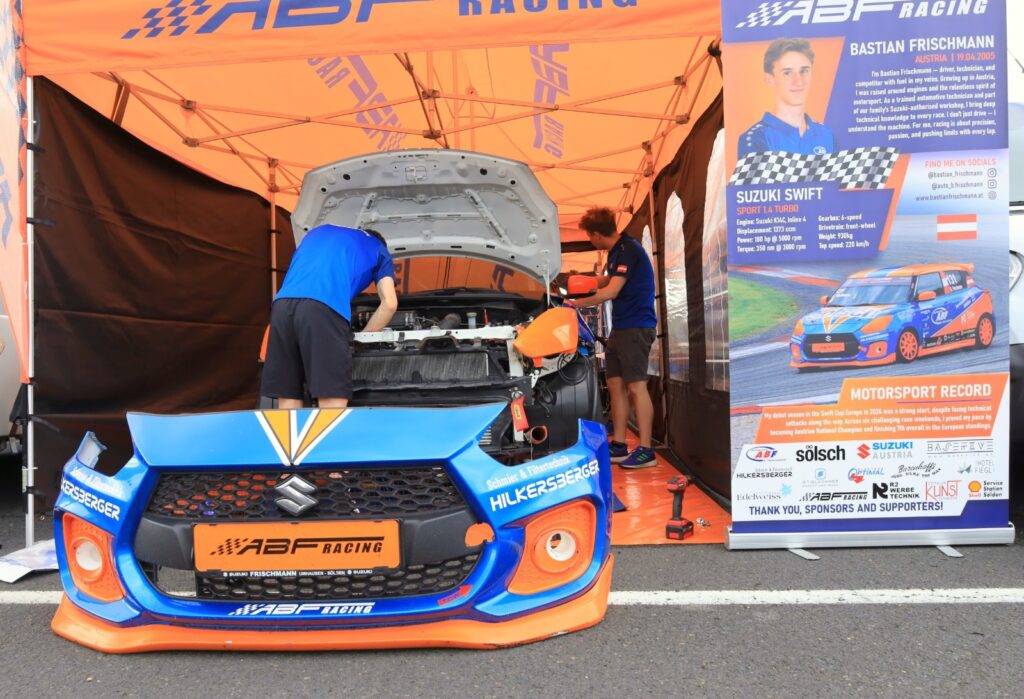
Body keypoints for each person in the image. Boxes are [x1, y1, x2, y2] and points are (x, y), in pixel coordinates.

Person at [261, 224, 397, 409]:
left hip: (281, 306)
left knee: (288, 395)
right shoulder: (378, 248)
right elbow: (389, 304)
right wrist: (360, 340)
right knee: (332, 397)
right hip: (324, 306)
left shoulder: (318, 231)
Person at [572, 207, 658, 468]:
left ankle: (647, 450)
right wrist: (585, 281)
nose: (590, 240)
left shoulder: (629, 249)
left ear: (596, 234)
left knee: (636, 386)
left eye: (589, 236)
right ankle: (619, 445)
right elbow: (610, 279)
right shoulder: (617, 251)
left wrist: (574, 303)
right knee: (615, 384)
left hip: (636, 326)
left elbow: (612, 291)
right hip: (620, 327)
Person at [738, 38, 837, 157]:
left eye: (804, 71)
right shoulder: (756, 137)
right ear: (769, 79)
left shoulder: (826, 135)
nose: (798, 81)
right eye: (787, 73)